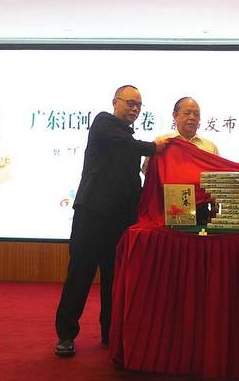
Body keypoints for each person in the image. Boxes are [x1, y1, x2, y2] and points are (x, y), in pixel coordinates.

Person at [55, 85, 167, 357]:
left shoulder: (127, 136)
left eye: (139, 105)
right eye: (130, 103)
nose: (135, 109)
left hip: (120, 218)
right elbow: (131, 146)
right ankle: (66, 335)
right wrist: (156, 148)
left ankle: (110, 333)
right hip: (92, 214)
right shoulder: (104, 123)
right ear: (115, 102)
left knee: (114, 278)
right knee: (80, 274)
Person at [141, 96, 219, 224]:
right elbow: (147, 172)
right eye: (187, 113)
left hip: (201, 211)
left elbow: (217, 179)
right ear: (175, 115)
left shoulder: (209, 146)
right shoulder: (162, 143)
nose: (192, 117)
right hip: (168, 209)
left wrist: (215, 207)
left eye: (196, 114)